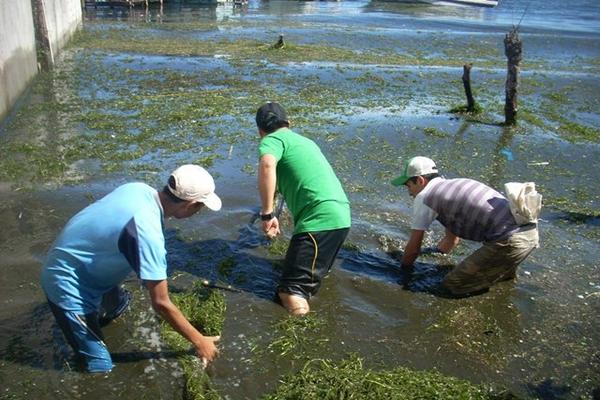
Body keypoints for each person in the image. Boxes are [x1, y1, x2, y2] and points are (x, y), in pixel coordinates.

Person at [41, 165, 222, 373]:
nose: (199, 212)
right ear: (191, 205)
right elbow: (161, 303)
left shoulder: (138, 189)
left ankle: (86, 321)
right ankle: (75, 328)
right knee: (100, 369)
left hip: (85, 264)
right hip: (66, 282)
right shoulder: (148, 233)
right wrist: (199, 341)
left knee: (120, 307)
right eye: (201, 207)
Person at [391, 156, 539, 297]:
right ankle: (502, 296)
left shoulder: (425, 197)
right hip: (528, 233)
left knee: (452, 284)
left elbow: (413, 249)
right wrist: (437, 253)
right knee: (501, 278)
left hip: (508, 240)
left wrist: (402, 271)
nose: (409, 192)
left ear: (420, 180)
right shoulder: (452, 186)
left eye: (408, 185)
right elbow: (452, 240)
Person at [255, 102, 351, 315]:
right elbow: (284, 183)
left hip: (319, 219)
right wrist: (274, 216)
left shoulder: (271, 140)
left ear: (260, 131)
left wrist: (266, 213)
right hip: (340, 216)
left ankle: (304, 333)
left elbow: (267, 165)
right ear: (288, 123)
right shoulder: (305, 142)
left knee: (290, 292)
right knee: (307, 279)